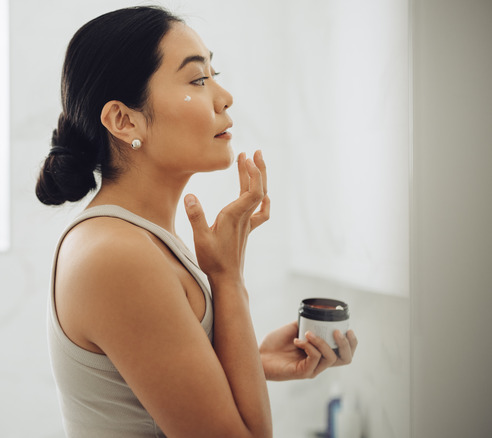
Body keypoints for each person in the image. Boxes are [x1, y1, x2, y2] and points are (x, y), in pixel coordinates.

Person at [36, 6, 358, 437]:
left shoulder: (130, 237)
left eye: (214, 74)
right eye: (197, 80)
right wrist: (226, 278)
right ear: (123, 120)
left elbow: (142, 384)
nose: (224, 97)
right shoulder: (119, 255)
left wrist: (253, 361)